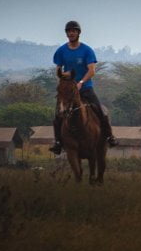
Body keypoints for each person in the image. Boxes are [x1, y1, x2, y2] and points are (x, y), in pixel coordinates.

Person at [50, 20, 117, 154]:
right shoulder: (61, 51)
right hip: (69, 90)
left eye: (74, 31)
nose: (71, 33)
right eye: (69, 31)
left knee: (101, 111)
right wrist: (65, 78)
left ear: (78, 33)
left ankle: (110, 137)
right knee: (58, 115)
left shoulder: (87, 50)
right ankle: (57, 142)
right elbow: (58, 69)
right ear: (66, 34)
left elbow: (91, 71)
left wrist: (80, 82)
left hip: (85, 87)